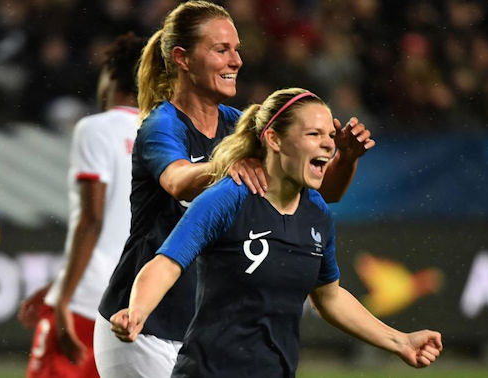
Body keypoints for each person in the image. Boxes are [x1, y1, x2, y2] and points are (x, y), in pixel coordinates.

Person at [95, 2, 374, 377]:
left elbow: (324, 194)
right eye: (221, 49)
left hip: (199, 334)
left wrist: (347, 159)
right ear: (183, 58)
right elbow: (177, 182)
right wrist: (229, 165)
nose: (236, 61)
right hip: (144, 327)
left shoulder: (236, 126)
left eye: (237, 49)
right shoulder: (162, 125)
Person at [110, 87, 443, 377]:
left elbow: (329, 297)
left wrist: (401, 341)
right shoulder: (229, 197)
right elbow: (168, 262)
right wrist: (137, 311)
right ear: (274, 139)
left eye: (330, 135)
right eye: (314, 134)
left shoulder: (317, 213)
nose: (328, 145)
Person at [17, 34, 146, 378]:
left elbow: (92, 220)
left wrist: (61, 299)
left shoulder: (96, 129)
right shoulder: (165, 136)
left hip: (87, 302)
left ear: (111, 76)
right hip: (137, 308)